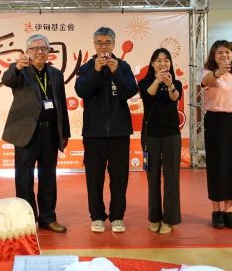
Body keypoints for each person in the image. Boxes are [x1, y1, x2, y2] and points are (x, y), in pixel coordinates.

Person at [1, 34, 70, 233]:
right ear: (27, 52)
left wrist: (64, 132)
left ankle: (48, 217)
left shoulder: (56, 74)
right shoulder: (20, 71)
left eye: (44, 48)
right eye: (35, 49)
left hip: (50, 133)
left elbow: (61, 104)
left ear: (49, 52)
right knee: (24, 178)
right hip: (26, 133)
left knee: (48, 177)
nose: (40, 52)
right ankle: (26, 218)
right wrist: (17, 67)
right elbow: (7, 79)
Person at [75, 27, 138, 233]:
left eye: (107, 43)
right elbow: (82, 91)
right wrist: (95, 70)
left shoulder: (123, 66)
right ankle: (97, 216)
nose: (103, 47)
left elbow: (129, 92)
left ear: (114, 44)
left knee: (119, 178)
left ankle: (117, 216)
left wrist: (116, 71)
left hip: (120, 132)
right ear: (94, 45)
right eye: (100, 43)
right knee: (94, 178)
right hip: (93, 133)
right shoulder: (86, 68)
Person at [200, 40, 232, 230]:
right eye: (219, 52)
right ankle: (216, 210)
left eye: (227, 52)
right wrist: (218, 72)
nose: (224, 55)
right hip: (215, 121)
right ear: (214, 56)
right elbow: (205, 82)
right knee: (216, 165)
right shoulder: (208, 72)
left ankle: (229, 210)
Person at [138, 48, 182, 235]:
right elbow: (148, 96)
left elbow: (175, 97)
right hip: (151, 136)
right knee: (152, 177)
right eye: (158, 60)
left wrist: (170, 85)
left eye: (166, 60)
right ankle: (154, 217)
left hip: (171, 135)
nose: (163, 63)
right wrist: (157, 80)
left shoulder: (176, 83)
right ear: (152, 63)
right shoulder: (144, 82)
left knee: (172, 178)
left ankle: (169, 219)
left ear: (170, 63)